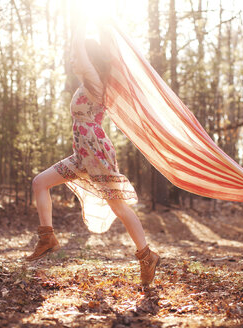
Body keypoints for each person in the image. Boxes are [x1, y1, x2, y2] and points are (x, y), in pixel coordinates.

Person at [25, 18, 160, 286]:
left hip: (97, 155)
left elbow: (80, 53)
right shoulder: (86, 84)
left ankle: (147, 256)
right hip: (82, 156)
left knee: (117, 205)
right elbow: (79, 57)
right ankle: (47, 238)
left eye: (78, 57)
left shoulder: (96, 82)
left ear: (89, 59)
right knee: (40, 182)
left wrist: (79, 21)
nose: (74, 61)